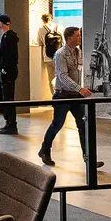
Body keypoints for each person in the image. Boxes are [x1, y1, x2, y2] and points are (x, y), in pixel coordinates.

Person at [38, 27, 100, 168]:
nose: (80, 38)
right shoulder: (60, 54)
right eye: (77, 36)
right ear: (69, 37)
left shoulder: (79, 52)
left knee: (83, 125)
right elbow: (62, 76)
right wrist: (79, 88)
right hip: (63, 95)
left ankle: (89, 159)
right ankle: (45, 150)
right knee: (57, 124)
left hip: (76, 96)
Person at [0, 14, 21, 135]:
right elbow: (7, 53)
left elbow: (12, 56)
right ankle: (9, 122)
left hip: (7, 72)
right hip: (6, 71)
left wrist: (5, 68)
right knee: (0, 98)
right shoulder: (6, 36)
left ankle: (11, 124)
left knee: (7, 98)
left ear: (2, 23)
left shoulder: (9, 37)